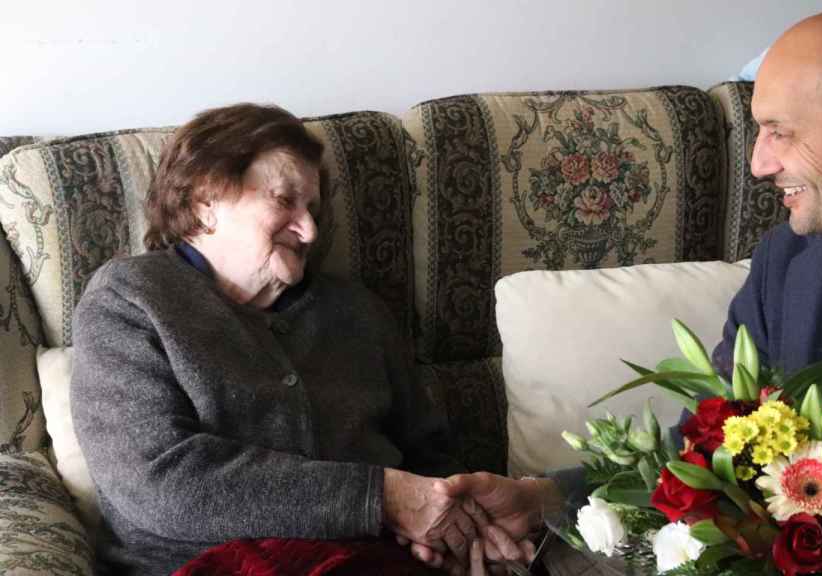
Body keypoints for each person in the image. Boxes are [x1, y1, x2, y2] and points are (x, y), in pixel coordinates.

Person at [444, 4, 822, 572]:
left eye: (779, 132)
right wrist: (543, 498)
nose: (758, 163)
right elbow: (713, 449)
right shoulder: (785, 262)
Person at [70, 103, 522, 575]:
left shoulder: (355, 310)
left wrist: (456, 530)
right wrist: (383, 498)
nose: (308, 229)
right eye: (285, 201)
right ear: (207, 200)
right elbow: (158, 483)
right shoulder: (129, 299)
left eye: (313, 210)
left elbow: (428, 452)